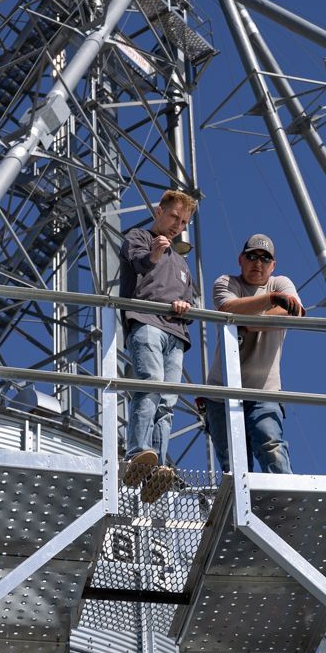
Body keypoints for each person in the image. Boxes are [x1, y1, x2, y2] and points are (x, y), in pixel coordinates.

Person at [203, 234, 305, 474]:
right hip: (221, 394)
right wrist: (271, 301)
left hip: (264, 391)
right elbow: (227, 308)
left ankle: (285, 497)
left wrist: (249, 320)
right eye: (252, 256)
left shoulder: (281, 283)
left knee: (272, 448)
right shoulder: (227, 282)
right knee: (233, 465)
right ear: (241, 259)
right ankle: (240, 500)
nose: (258, 263)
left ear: (273, 265)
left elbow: (296, 311)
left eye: (265, 258)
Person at [118, 189, 197, 499]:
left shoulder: (181, 262)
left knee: (167, 403)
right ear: (159, 211)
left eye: (184, 222)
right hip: (146, 321)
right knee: (149, 383)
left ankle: (157, 468)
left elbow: (190, 299)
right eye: (174, 217)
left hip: (176, 334)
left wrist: (185, 306)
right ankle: (137, 454)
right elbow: (138, 263)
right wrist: (153, 254)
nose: (178, 225)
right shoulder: (138, 237)